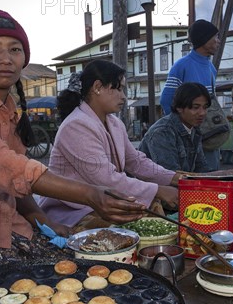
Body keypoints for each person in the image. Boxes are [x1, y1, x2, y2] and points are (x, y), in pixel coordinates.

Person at [0, 9, 145, 290]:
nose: (6, 59)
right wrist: (89, 194)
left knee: (84, 272)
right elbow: (2, 164)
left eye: (15, 49)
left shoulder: (10, 110)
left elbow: (16, 182)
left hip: (7, 227)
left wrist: (42, 219)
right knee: (33, 293)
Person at [38, 59, 179, 232]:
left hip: (102, 203)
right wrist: (158, 190)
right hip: (73, 212)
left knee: (153, 210)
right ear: (97, 87)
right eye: (118, 88)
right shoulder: (76, 125)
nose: (124, 96)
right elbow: (106, 178)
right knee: (141, 222)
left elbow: (136, 162)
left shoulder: (114, 123)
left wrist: (176, 178)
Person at [160, 19, 222, 171]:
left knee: (211, 173)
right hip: (189, 136)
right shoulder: (182, 65)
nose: (218, 41)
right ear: (204, 38)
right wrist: (183, 131)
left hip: (209, 133)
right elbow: (166, 100)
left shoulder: (211, 67)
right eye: (215, 37)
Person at [139, 82, 233, 174]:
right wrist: (215, 175)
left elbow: (201, 169)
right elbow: (171, 176)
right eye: (195, 107)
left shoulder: (194, 129)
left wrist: (220, 176)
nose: (202, 113)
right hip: (156, 191)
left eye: (205, 107)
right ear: (179, 107)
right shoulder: (162, 132)